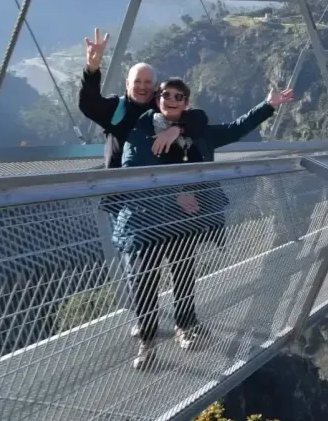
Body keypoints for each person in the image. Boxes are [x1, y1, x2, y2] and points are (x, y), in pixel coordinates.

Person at [118, 77, 294, 370]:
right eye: (165, 94)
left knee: (184, 276)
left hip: (184, 223)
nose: (171, 99)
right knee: (144, 282)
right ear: (157, 99)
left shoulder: (197, 132)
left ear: (186, 103)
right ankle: (147, 344)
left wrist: (268, 106)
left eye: (178, 96)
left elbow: (235, 129)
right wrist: (175, 195)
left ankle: (185, 328)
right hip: (147, 221)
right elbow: (132, 172)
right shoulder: (140, 131)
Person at [78, 28, 208, 169]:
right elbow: (89, 104)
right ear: (127, 84)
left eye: (147, 82)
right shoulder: (116, 108)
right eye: (137, 81)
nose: (142, 87)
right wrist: (92, 69)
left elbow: (199, 118)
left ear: (155, 86)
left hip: (158, 182)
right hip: (121, 182)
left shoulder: (163, 106)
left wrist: (177, 128)